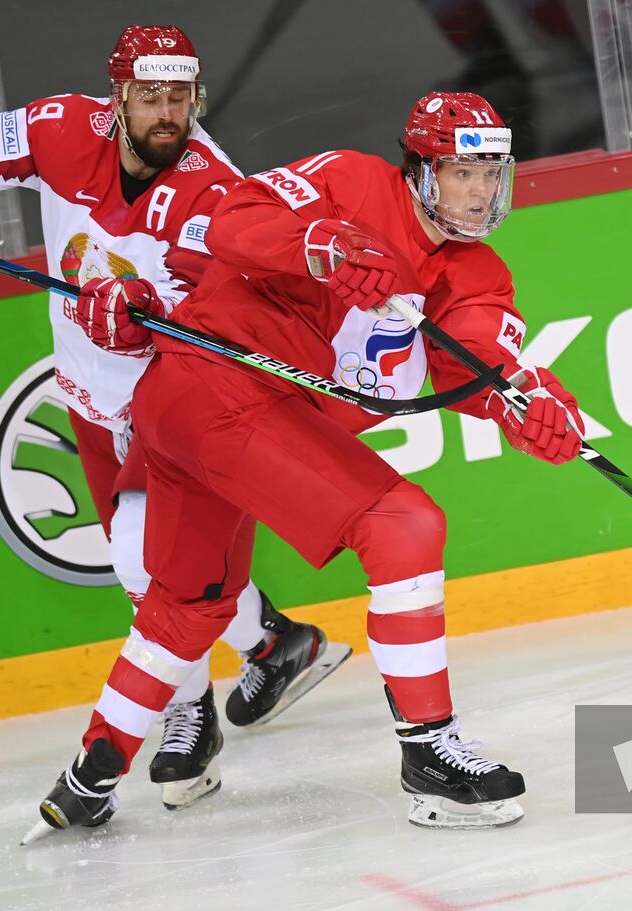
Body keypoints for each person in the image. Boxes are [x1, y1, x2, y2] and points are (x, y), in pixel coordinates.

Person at [33, 90, 584, 836]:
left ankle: (89, 775)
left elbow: (484, 361)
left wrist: (535, 407)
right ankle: (430, 758)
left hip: (216, 414)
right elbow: (236, 219)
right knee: (403, 524)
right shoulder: (353, 182)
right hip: (217, 384)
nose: (482, 191)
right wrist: (317, 244)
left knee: (190, 603)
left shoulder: (475, 272)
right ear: (420, 169)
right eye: (463, 172)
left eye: (493, 173)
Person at [0, 24, 348, 812]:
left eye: (180, 96)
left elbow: (231, 303)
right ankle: (272, 643)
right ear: (119, 98)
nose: (167, 112)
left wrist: (152, 313)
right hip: (90, 395)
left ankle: (188, 714)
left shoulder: (214, 186)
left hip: (179, 400)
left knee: (148, 564)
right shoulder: (61, 129)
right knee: (153, 566)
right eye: (150, 96)